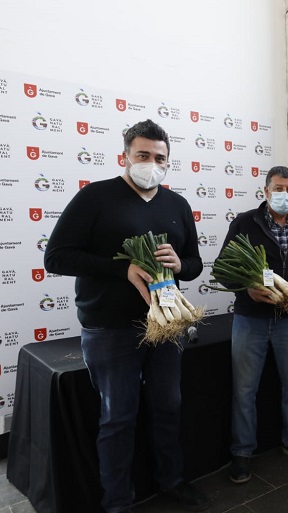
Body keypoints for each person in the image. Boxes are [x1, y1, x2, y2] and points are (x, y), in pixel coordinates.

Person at [44, 119, 209, 513]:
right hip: (110, 329)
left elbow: (195, 263)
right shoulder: (95, 198)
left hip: (167, 326)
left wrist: (180, 264)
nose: (152, 164)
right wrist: (123, 269)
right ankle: (117, 501)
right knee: (117, 418)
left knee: (168, 406)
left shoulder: (177, 205)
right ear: (125, 157)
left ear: (168, 161)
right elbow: (56, 257)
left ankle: (171, 481)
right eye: (143, 155)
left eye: (160, 158)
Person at [220, 165, 288, 484]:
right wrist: (247, 289)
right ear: (266, 191)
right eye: (278, 189)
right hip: (249, 319)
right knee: (244, 389)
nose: (284, 194)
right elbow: (223, 268)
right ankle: (242, 451)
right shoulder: (244, 222)